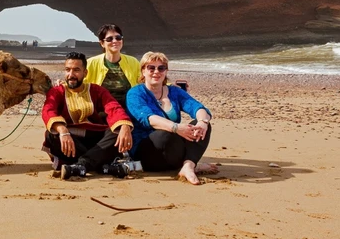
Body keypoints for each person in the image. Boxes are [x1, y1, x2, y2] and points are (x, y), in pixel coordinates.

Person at [125, 51, 218, 185]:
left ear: (166, 71)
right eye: (151, 68)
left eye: (161, 68)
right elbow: (148, 118)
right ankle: (190, 163)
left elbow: (197, 107)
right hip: (147, 151)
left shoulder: (174, 92)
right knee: (165, 135)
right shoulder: (135, 93)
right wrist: (176, 128)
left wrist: (202, 122)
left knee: (202, 126)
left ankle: (188, 166)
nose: (156, 72)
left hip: (171, 146)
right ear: (143, 71)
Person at [41, 52, 134, 180]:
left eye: (76, 70)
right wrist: (63, 130)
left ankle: (82, 165)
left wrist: (124, 125)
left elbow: (113, 107)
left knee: (117, 133)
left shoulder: (97, 90)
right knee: (51, 134)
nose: (71, 75)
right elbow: (48, 110)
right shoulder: (57, 91)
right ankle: (101, 165)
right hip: (71, 141)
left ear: (85, 73)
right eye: (68, 70)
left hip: (96, 140)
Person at [85, 24, 140, 112]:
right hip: (102, 108)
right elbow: (80, 84)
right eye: (109, 39)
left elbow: (145, 81)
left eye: (118, 38)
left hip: (129, 107)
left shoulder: (133, 62)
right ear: (102, 43)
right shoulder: (91, 63)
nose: (115, 41)